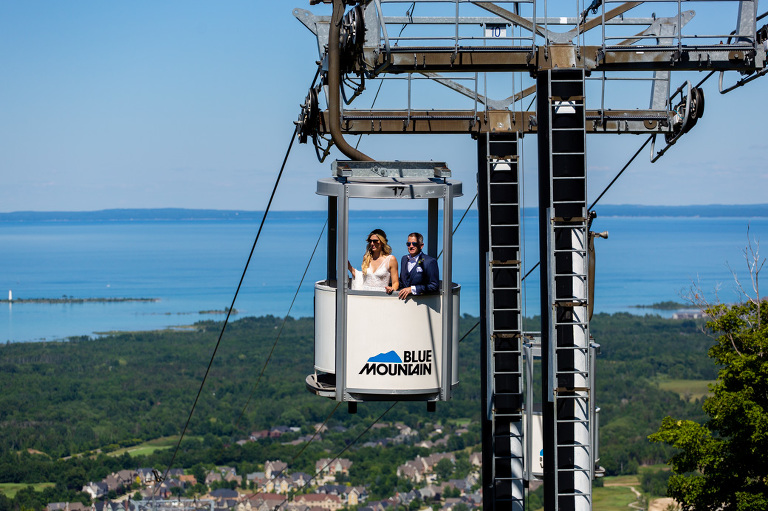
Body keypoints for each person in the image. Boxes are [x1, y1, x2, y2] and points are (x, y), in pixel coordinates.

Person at [348, 229, 399, 294]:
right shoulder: (367, 258)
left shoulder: (390, 259)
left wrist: (392, 289)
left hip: (381, 296)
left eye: (375, 241)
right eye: (370, 241)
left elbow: (395, 282)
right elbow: (361, 277)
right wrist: (349, 267)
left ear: (382, 242)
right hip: (364, 295)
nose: (372, 243)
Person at [398, 232, 439, 300]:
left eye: (414, 244)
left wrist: (412, 289)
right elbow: (403, 282)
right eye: (408, 244)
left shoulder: (430, 261)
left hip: (422, 302)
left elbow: (434, 286)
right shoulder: (404, 259)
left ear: (421, 246)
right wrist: (393, 286)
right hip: (403, 303)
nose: (411, 246)